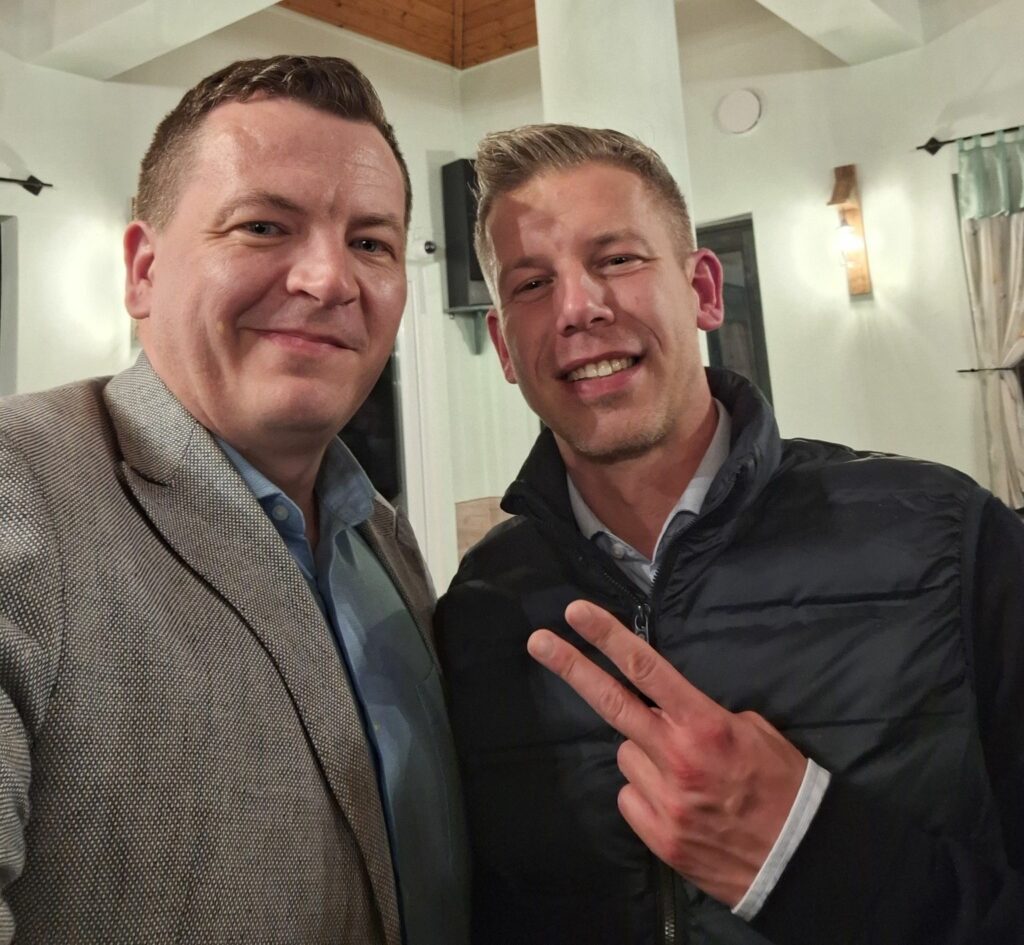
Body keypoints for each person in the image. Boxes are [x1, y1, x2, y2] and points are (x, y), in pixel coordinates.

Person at [435, 123, 1024, 944]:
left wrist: (809, 853)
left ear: (704, 290)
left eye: (618, 258)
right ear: (504, 346)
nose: (578, 308)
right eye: (532, 283)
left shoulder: (947, 540)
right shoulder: (478, 611)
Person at [0, 56, 468, 945]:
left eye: (372, 243)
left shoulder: (383, 540)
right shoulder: (23, 484)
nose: (330, 279)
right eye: (263, 226)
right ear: (143, 270)